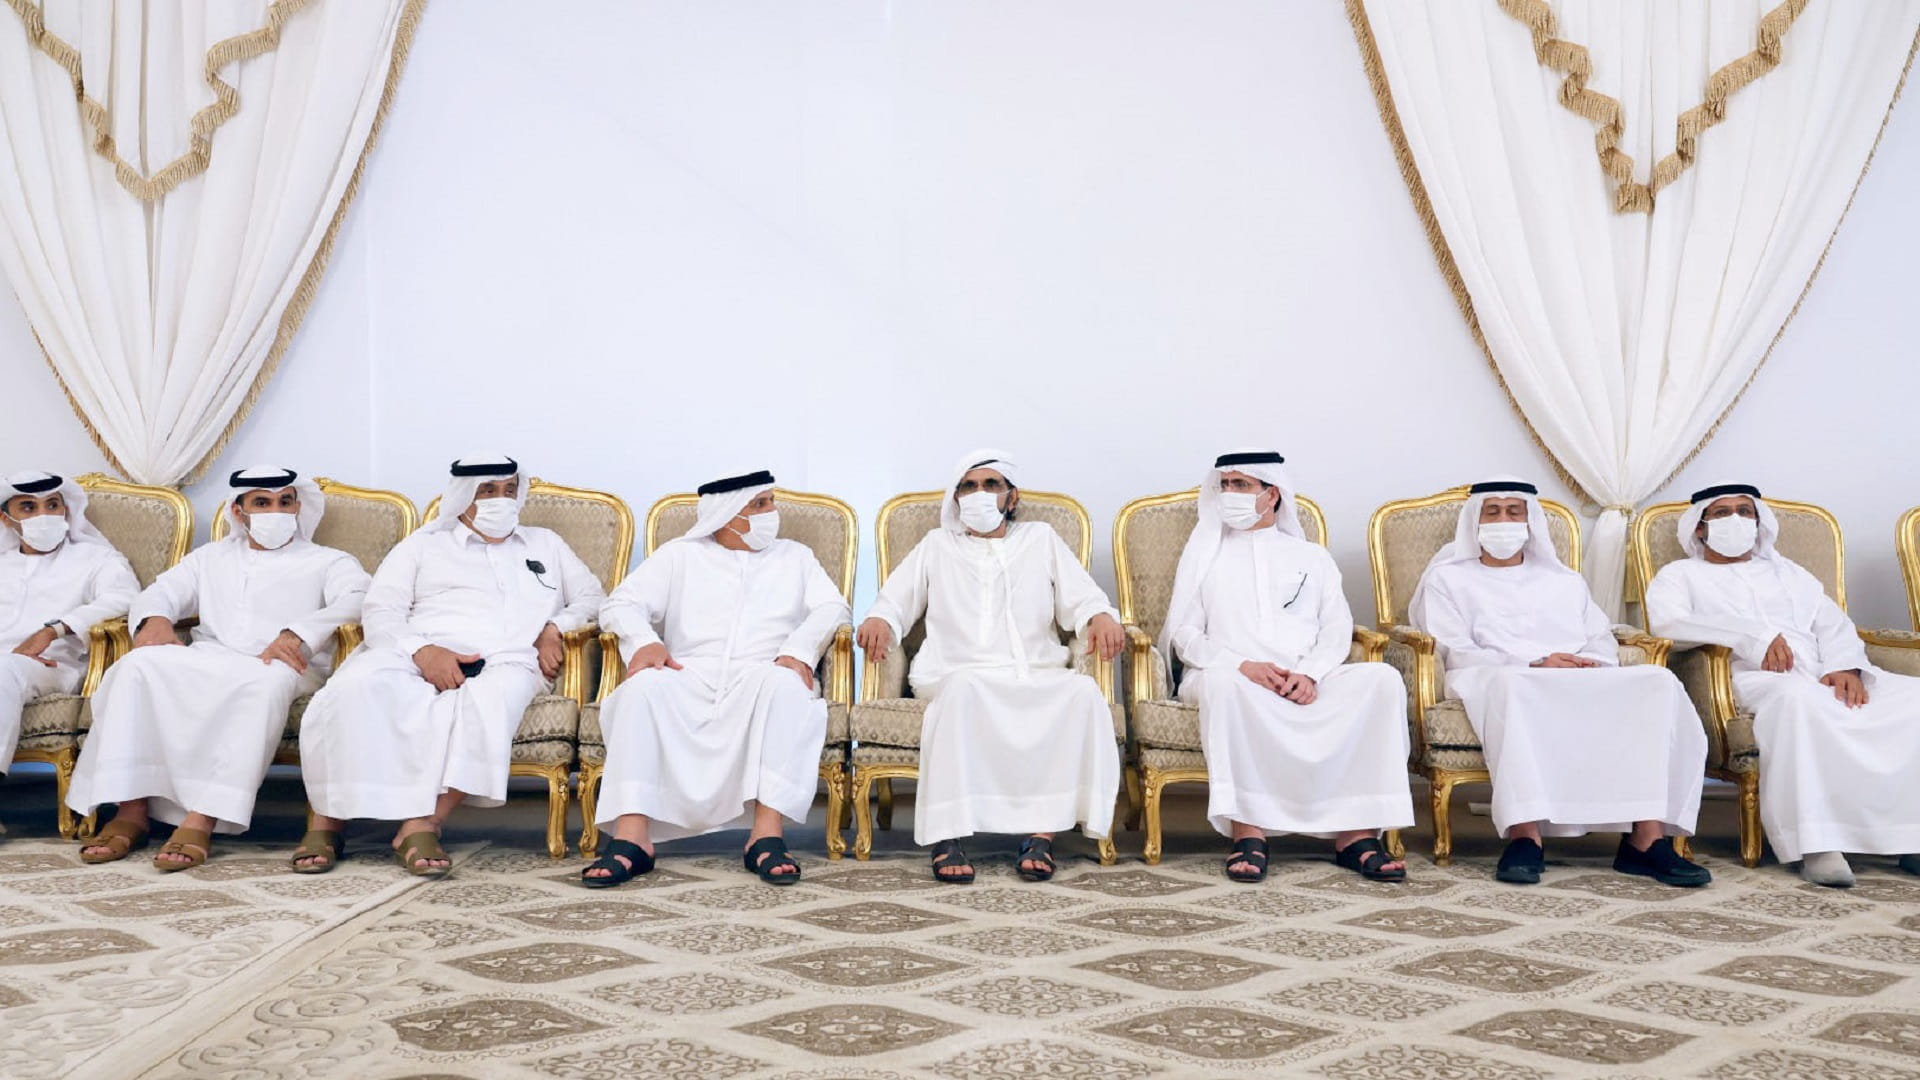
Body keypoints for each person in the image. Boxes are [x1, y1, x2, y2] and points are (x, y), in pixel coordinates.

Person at [295, 455, 603, 875]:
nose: (500, 500)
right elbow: (381, 610)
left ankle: (423, 825)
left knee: (491, 701)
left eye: (508, 490)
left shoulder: (545, 543)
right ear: (463, 495)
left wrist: (555, 626)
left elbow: (592, 597)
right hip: (416, 649)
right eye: (487, 491)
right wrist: (424, 653)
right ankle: (328, 823)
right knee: (353, 689)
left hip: (509, 658)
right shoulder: (422, 545)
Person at [1410, 478, 1710, 887]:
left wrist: (1588, 663)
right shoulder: (1448, 579)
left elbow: (1599, 637)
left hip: (1573, 673)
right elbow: (1452, 647)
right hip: (1495, 672)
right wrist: (1533, 662)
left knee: (1659, 681)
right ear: (1474, 522)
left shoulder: (1563, 579)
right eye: (1492, 512)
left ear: (1530, 520)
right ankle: (1525, 836)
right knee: (1515, 686)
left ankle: (1646, 840)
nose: (1504, 521)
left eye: (1514, 511)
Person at [70, 468, 369, 869]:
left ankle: (202, 818)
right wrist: (155, 619)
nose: (276, 511)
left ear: (298, 507)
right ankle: (131, 811)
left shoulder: (328, 561)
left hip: (283, 663)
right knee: (135, 666)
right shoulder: (210, 557)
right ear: (239, 511)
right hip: (210, 655)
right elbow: (161, 592)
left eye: (285, 501)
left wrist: (299, 632)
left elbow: (359, 597)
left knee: (261, 686)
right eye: (262, 502)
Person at [857, 450, 1124, 884]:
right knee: (963, 689)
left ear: (1011, 497)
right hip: (954, 670)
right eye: (969, 486)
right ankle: (947, 836)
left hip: (1033, 670)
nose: (979, 493)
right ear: (956, 497)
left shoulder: (1040, 538)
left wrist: (1100, 616)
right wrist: (879, 619)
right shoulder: (937, 544)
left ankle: (1041, 834)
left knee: (1082, 693)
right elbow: (894, 599)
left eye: (990, 485)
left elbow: (1083, 596)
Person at [584, 470, 850, 887]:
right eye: (759, 504)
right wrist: (645, 643)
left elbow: (833, 608)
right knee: (640, 691)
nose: (772, 512)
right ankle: (633, 837)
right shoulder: (680, 555)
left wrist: (798, 651)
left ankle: (766, 835)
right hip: (689, 671)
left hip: (764, 670)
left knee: (787, 689)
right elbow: (620, 604)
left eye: (770, 501)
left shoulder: (795, 557)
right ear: (727, 515)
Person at [1646, 483, 1920, 887]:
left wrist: (1845, 666)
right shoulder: (1680, 576)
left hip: (1820, 672)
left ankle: (1910, 836)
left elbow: (1834, 624)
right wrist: (1751, 637)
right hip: (1752, 677)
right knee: (1796, 700)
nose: (1736, 519)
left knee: (1912, 699)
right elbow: (1668, 624)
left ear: (1759, 522)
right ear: (1700, 528)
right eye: (1722, 513)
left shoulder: (1790, 573)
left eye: (1745, 511)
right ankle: (1817, 843)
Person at [1164, 451, 1412, 882]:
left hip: (1305, 675)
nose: (1229, 493)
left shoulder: (1312, 557)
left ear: (1272, 494)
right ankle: (1248, 832)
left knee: (1382, 679)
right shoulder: (1206, 556)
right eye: (1224, 485)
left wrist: (1310, 674)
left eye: (1241, 485)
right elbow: (1185, 635)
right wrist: (1242, 665)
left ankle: (1356, 835)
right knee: (1223, 686)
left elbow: (1337, 627)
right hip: (1231, 674)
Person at [0, 472, 137, 834]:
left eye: (52, 505)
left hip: (52, 665)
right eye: (28, 507)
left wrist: (54, 629)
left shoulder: (95, 558)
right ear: (7, 518)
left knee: (4, 671)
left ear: (66, 510)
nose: (43, 515)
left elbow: (125, 598)